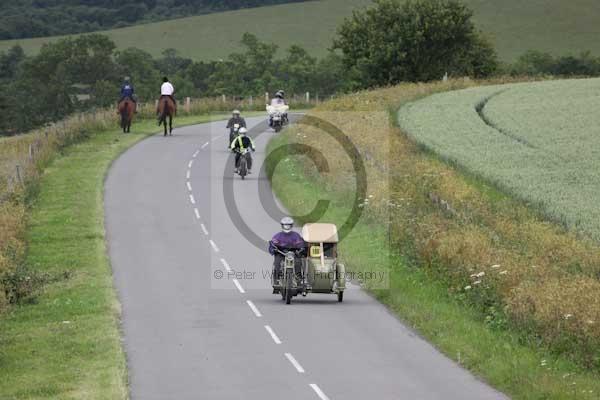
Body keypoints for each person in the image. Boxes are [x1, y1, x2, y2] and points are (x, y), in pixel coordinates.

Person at [268, 217, 306, 289]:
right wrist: (274, 249)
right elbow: (272, 244)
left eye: (289, 225)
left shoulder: (296, 235)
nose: (287, 227)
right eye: (285, 225)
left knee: (298, 262)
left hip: (293, 253)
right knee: (277, 263)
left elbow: (301, 244)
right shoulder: (277, 236)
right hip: (281, 253)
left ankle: (298, 280)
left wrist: (301, 249)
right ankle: (277, 279)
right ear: (282, 225)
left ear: (291, 225)